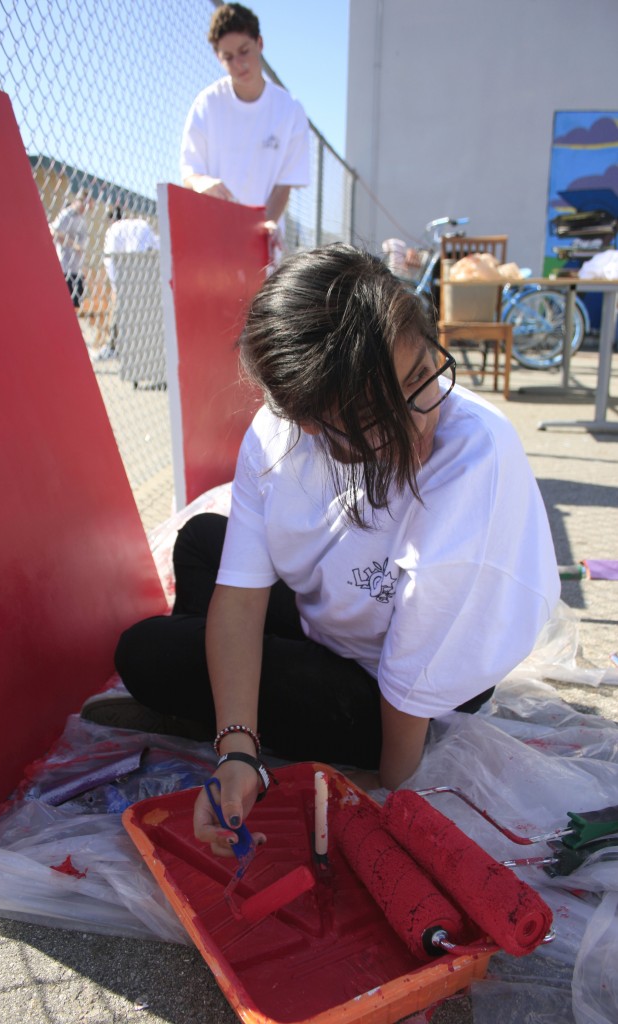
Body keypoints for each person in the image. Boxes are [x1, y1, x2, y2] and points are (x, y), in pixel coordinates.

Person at [82, 244, 561, 856]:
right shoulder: (278, 435)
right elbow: (241, 592)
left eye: (420, 378)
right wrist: (237, 746)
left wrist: (388, 781)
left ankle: (227, 695)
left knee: (145, 651)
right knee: (201, 541)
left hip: (412, 693)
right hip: (342, 622)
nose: (417, 423)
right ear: (306, 420)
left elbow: (418, 665)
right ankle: (237, 699)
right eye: (373, 417)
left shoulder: (472, 455)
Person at [179, 3, 310, 255]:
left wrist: (263, 223)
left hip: (262, 243)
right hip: (213, 240)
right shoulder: (207, 104)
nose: (239, 64)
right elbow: (190, 172)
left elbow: (285, 183)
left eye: (244, 51)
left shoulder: (290, 110)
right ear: (218, 57)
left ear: (259, 43)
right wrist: (200, 183)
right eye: (228, 57)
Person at [99, 206, 160, 359]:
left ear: (111, 219)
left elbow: (110, 259)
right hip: (149, 266)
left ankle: (113, 347)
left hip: (129, 271)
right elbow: (156, 243)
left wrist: (116, 287)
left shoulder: (113, 229)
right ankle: (145, 349)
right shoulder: (139, 223)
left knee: (120, 310)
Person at [51, 188, 91, 308]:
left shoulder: (82, 220)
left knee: (75, 306)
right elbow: (54, 231)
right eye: (84, 203)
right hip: (64, 268)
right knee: (61, 306)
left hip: (77, 270)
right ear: (78, 201)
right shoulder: (66, 214)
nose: (86, 208)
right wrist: (73, 244)